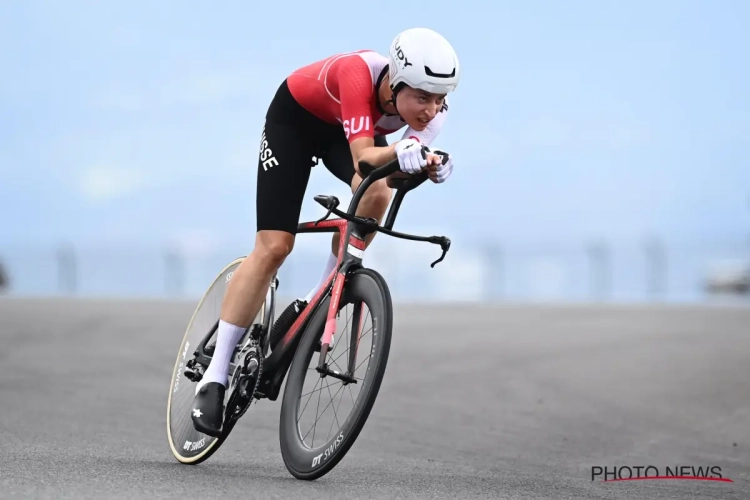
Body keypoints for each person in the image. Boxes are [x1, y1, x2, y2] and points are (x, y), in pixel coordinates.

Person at [191, 27, 460, 437]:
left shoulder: (433, 115)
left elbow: (393, 176)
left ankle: (320, 297)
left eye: (440, 100)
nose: (430, 110)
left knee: (377, 197)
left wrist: (428, 167)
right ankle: (214, 375)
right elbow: (367, 159)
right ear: (395, 81)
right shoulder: (357, 74)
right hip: (294, 124)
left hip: (348, 134)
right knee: (275, 246)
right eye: (422, 97)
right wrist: (403, 153)